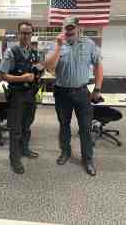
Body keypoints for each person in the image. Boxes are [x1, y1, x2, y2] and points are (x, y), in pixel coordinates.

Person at [47, 16, 103, 176]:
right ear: (63, 28)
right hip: (62, 92)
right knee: (64, 125)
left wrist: (97, 89)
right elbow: (49, 67)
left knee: (85, 127)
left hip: (82, 92)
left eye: (72, 27)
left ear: (78, 28)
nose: (69, 30)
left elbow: (98, 65)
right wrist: (58, 47)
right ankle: (65, 152)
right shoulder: (56, 44)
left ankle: (88, 158)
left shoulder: (89, 44)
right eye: (66, 27)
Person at [0, 22, 43, 174]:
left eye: (29, 33)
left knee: (26, 126)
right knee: (15, 129)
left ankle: (24, 150)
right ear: (18, 34)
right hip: (17, 95)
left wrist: (38, 73)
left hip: (31, 95)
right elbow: (2, 75)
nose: (26, 36)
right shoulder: (11, 52)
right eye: (23, 33)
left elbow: (37, 71)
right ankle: (14, 158)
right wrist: (22, 78)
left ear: (32, 35)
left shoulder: (34, 52)